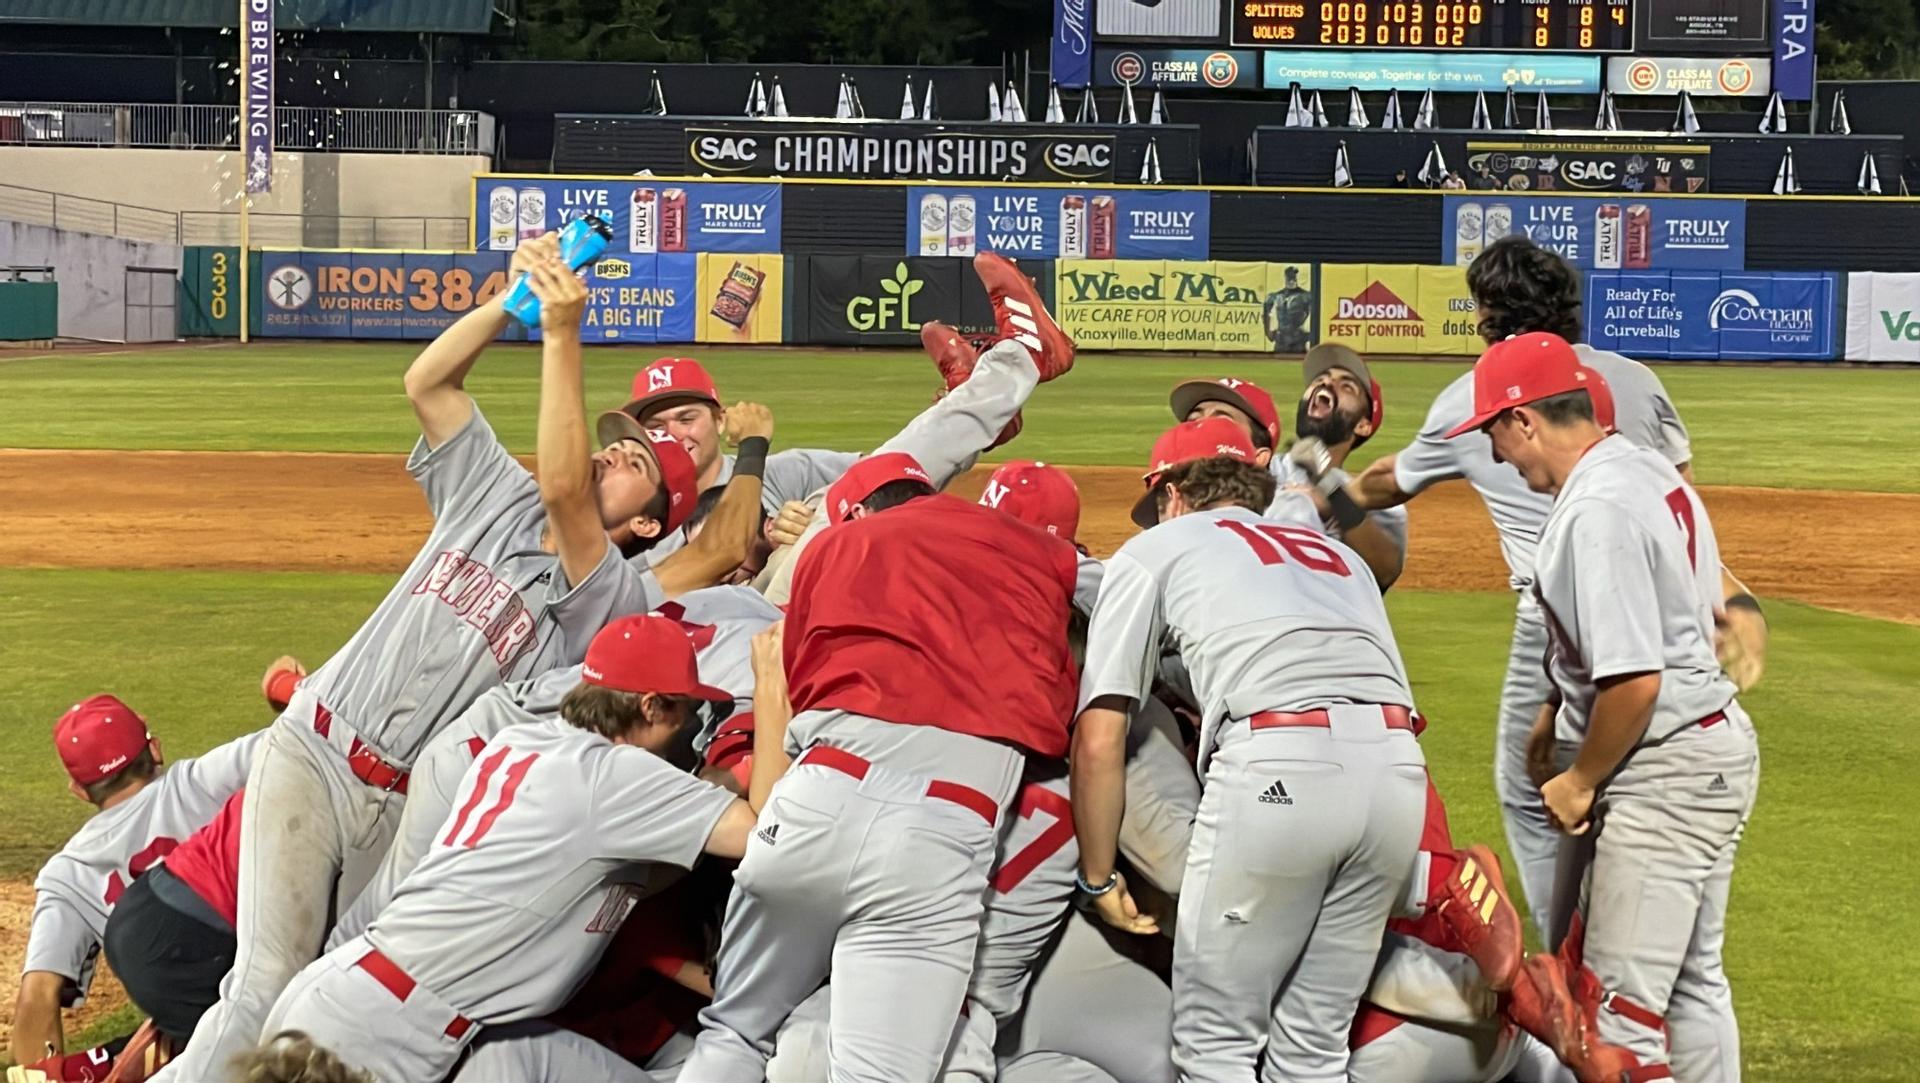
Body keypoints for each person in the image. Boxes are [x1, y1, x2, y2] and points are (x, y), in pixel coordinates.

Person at [155, 238, 775, 1081]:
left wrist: (564, 335)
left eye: (634, 464)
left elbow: (569, 493)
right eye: (611, 445)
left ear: (646, 525)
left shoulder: (613, 601)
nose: (608, 455)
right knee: (266, 980)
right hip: (317, 747)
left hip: (405, 805)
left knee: (330, 979)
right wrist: (514, 304)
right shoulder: (492, 487)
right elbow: (428, 383)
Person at [682, 252, 1082, 1083]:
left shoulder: (840, 545)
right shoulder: (1021, 573)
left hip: (808, 780)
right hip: (932, 823)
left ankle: (992, 388)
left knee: (734, 1031)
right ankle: (1000, 380)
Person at [1345, 235, 1758, 938]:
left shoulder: (1479, 397)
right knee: (1623, 777)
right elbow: (1679, 498)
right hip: (1676, 595)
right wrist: (1730, 594)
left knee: (1541, 783)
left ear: (1491, 315)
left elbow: (1396, 479)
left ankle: (1567, 944)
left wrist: (1336, 487)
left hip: (1564, 613)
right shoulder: (1636, 377)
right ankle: (1615, 927)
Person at [1444, 331, 1760, 1080]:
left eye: (1494, 431)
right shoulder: (1645, 468)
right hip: (1705, 752)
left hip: (1664, 770)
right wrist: (1558, 708)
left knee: (1613, 1022)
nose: (1495, 455)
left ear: (1525, 419)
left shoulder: (1596, 511)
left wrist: (1580, 776)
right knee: (1688, 987)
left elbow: (1634, 681)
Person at [1074, 417, 1429, 1080]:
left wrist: (1098, 875)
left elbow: (1100, 733)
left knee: (1214, 1045)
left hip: (1280, 769)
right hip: (1396, 775)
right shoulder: (1338, 556)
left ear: (1174, 495)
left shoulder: (1159, 548)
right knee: (1314, 1049)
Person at [262, 614, 759, 1083]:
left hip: (353, 998)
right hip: (377, 1030)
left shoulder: (522, 744)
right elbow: (756, 833)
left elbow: (616, 877)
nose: (691, 726)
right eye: (685, 711)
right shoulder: (611, 776)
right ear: (650, 706)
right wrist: (768, 717)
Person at [11, 694, 259, 1068]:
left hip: (197, 1013)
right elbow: (304, 742)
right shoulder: (204, 778)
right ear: (154, 749)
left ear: (79, 791)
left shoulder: (68, 874)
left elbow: (38, 996)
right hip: (289, 961)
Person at [1169, 347, 1406, 587]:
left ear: (1364, 425)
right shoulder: (1259, 471)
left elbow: (1383, 572)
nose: (1326, 384)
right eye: (1319, 380)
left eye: (1346, 386)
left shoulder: (1371, 495)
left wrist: (1332, 494)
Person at [600, 356, 860, 564]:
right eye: (656, 425)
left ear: (720, 420)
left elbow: (888, 473)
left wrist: (822, 522)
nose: (674, 434)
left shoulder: (784, 474)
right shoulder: (633, 520)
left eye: (687, 419)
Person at [1261, 266, 1313, 354]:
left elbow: (1316, 315)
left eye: (1293, 275)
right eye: (1289, 275)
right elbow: (1265, 314)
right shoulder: (1275, 296)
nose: (1291, 278)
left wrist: (1310, 335)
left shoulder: (1306, 296)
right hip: (1281, 338)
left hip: (1297, 339)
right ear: (1285, 276)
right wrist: (1268, 332)